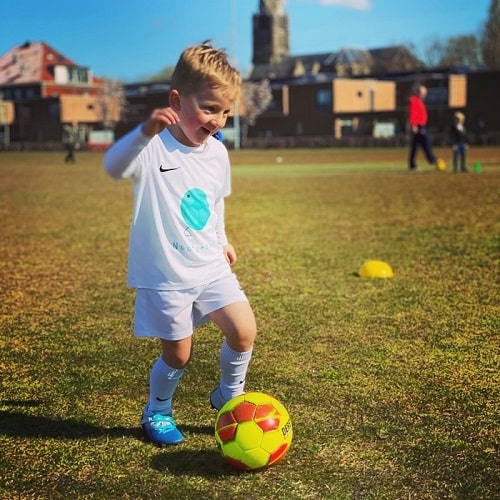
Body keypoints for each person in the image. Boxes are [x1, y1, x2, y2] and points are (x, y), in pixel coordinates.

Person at [103, 43, 256, 446]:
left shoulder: (218, 151)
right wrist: (143, 131)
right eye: (208, 108)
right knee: (179, 355)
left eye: (225, 111)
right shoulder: (152, 146)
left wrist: (222, 240)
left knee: (243, 330)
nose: (217, 120)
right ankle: (157, 409)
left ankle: (230, 396)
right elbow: (112, 166)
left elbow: (213, 202)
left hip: (209, 263)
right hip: (167, 272)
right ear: (176, 100)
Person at [407, 84, 438, 171]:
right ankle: (432, 159)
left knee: (415, 145)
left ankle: (412, 164)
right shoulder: (414, 100)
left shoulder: (419, 101)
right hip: (419, 126)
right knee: (426, 141)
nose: (424, 95)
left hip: (421, 125)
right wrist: (414, 125)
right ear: (418, 92)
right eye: (422, 93)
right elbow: (412, 113)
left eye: (425, 94)